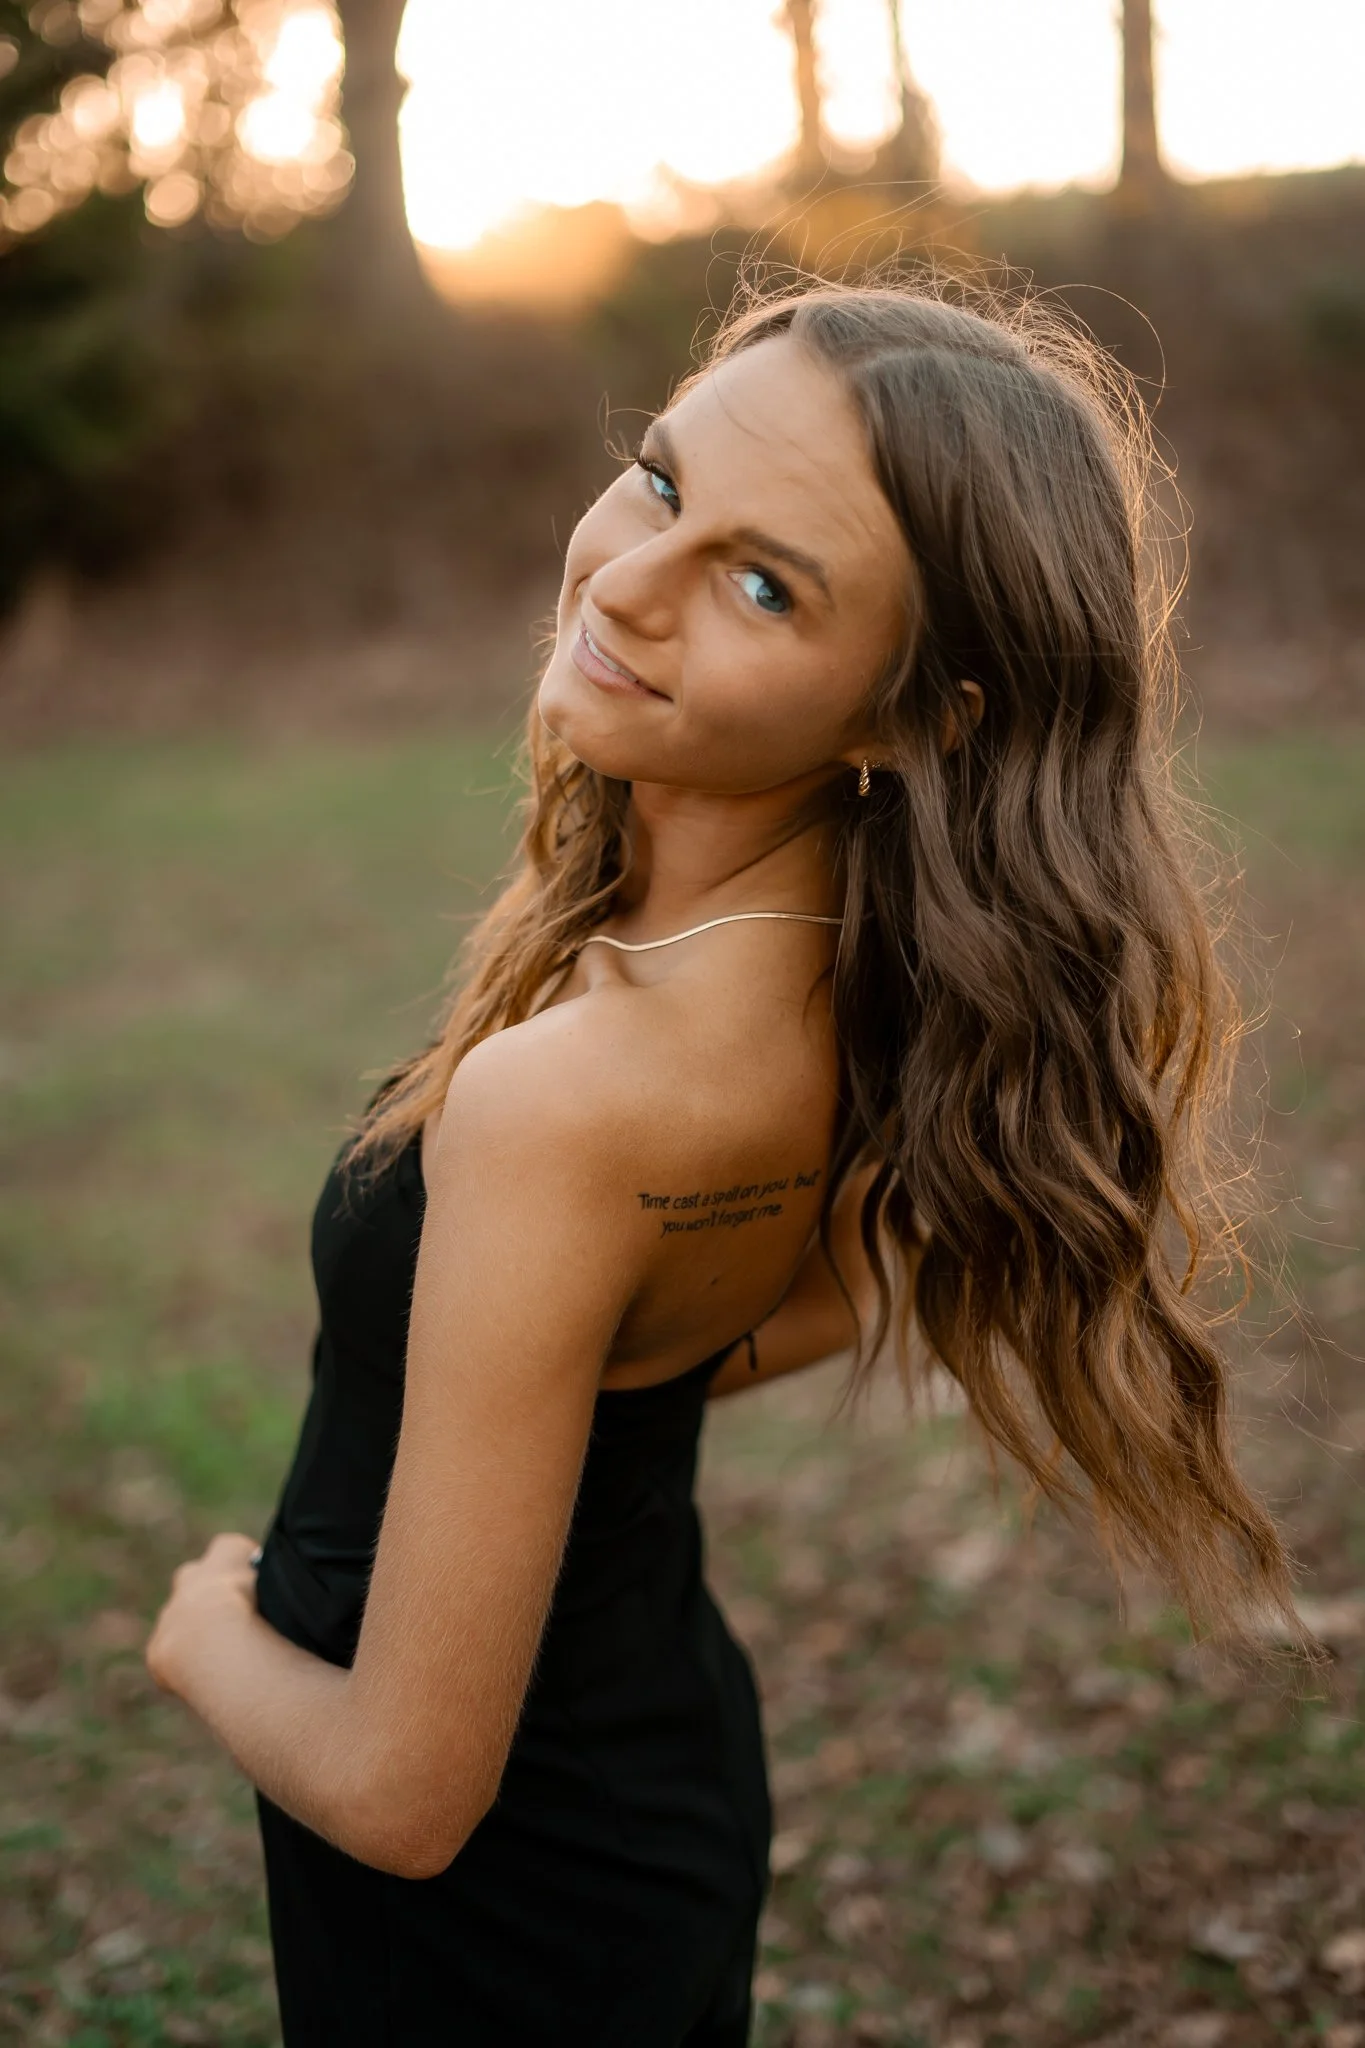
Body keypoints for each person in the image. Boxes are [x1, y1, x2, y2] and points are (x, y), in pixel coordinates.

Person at [144, 279, 1307, 2046]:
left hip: (495, 1920)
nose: (626, 582)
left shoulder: (575, 1096)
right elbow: (838, 1277)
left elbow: (402, 1793)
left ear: (917, 719)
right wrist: (591, 1347)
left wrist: (204, 1632)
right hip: (651, 1777)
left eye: (765, 585)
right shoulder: (882, 969)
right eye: (664, 482)